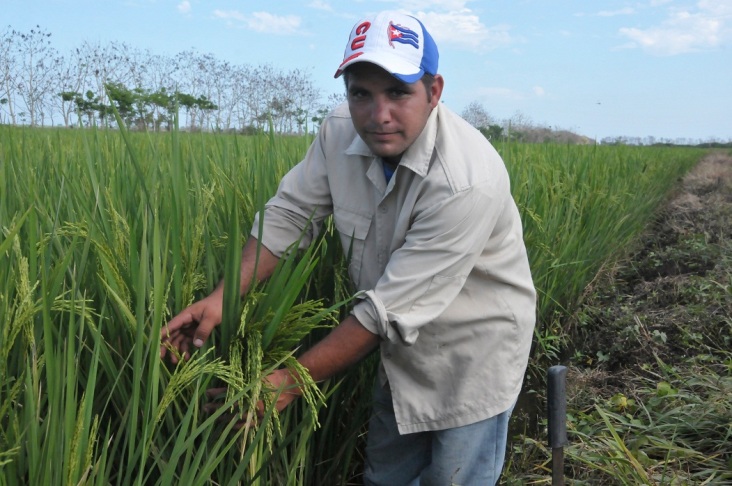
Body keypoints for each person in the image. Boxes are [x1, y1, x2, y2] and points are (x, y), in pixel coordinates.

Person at [161, 10, 536, 486]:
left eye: (398, 92)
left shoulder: (466, 180)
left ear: (434, 91)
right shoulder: (339, 131)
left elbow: (385, 312)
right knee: (386, 475)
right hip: (395, 347)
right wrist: (221, 299)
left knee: (454, 478)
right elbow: (291, 215)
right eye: (361, 93)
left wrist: (288, 383)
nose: (378, 115)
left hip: (471, 351)